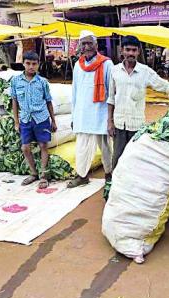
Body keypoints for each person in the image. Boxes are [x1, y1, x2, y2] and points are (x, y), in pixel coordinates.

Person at [107, 36, 169, 171]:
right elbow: (111, 98)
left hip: (136, 125)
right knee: (117, 159)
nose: (131, 53)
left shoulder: (145, 71)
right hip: (119, 123)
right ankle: (114, 188)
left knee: (135, 159)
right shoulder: (114, 71)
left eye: (134, 50)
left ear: (138, 52)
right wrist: (110, 121)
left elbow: (163, 84)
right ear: (122, 51)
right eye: (128, 50)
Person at [67, 30, 114, 188]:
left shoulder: (106, 64)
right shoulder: (78, 66)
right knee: (82, 146)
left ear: (96, 45)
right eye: (83, 43)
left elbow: (112, 92)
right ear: (80, 45)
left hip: (101, 114)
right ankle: (82, 175)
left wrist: (111, 119)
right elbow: (75, 92)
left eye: (89, 43)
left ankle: (109, 174)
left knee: (106, 147)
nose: (86, 46)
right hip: (83, 114)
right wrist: (74, 116)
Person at [11, 51, 57, 189]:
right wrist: (16, 121)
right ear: (23, 64)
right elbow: (14, 101)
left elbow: (48, 101)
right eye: (28, 63)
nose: (31, 66)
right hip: (25, 118)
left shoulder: (42, 82)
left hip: (41, 118)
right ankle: (33, 173)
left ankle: (43, 175)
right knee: (25, 148)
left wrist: (53, 121)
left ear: (38, 65)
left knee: (43, 146)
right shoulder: (15, 81)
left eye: (34, 64)